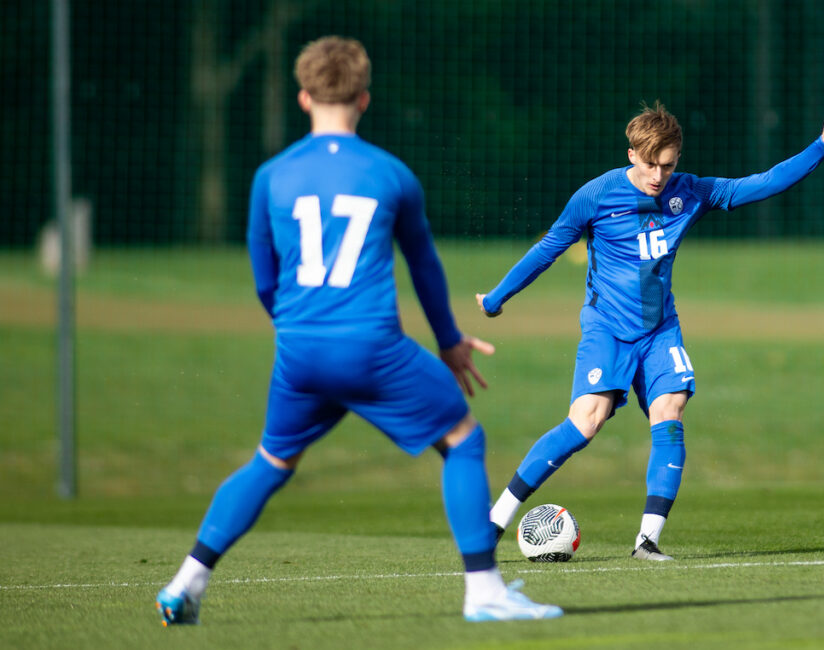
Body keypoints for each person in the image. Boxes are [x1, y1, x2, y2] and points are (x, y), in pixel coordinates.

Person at [156, 36, 562, 625]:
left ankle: (186, 584)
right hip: (372, 349)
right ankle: (484, 592)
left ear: (303, 97)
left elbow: (265, 280)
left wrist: (302, 337)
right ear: (364, 98)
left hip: (298, 351)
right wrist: (449, 342)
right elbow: (424, 267)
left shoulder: (270, 176)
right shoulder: (391, 175)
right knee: (463, 440)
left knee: (270, 462)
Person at [478, 102, 824, 560]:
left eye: (669, 165)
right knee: (587, 421)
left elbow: (762, 183)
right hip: (607, 328)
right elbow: (548, 249)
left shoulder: (690, 192)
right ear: (632, 154)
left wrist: (822, 145)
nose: (659, 176)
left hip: (659, 330)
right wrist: (497, 298)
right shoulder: (596, 196)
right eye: (651, 164)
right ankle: (495, 520)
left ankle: (647, 541)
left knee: (670, 412)